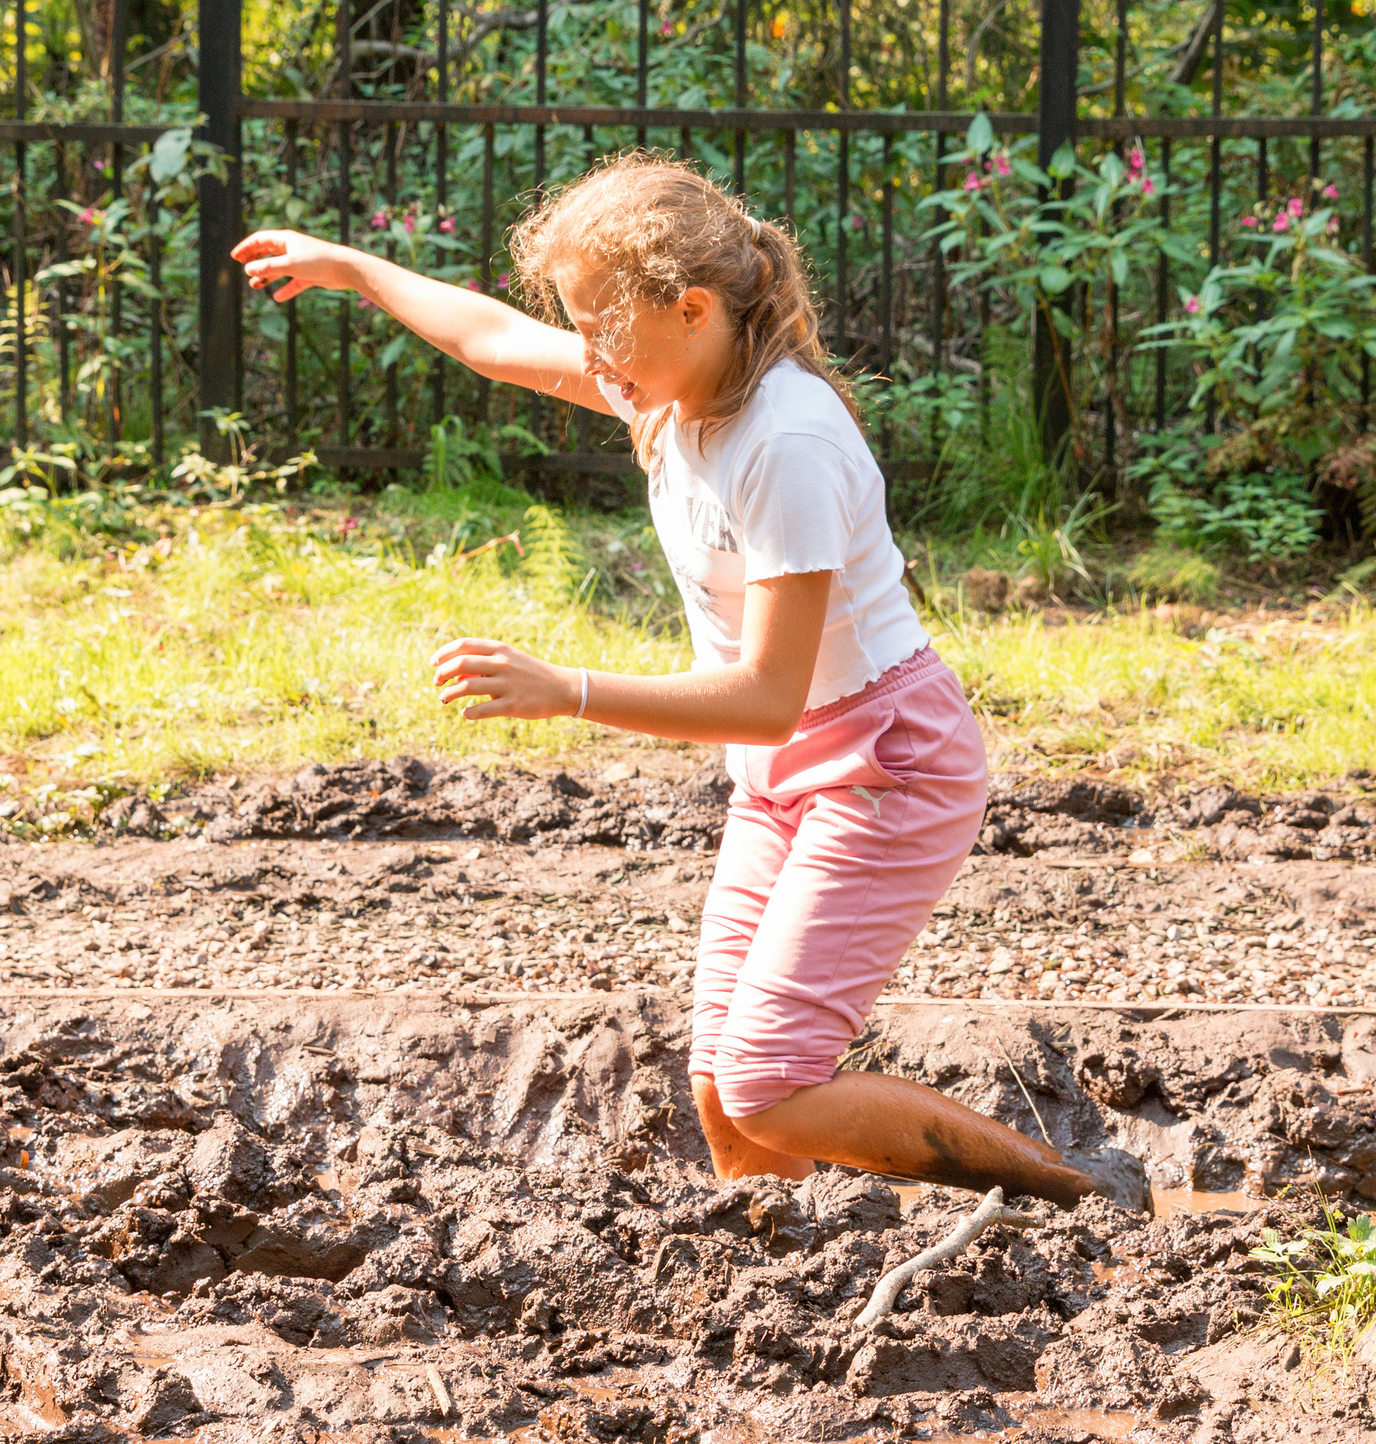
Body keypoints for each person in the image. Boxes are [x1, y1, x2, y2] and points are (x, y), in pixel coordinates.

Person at [232, 153, 1144, 1213]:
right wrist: (351, 267)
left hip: (886, 768)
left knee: (767, 1083)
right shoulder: (667, 389)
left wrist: (567, 689)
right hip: (779, 773)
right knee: (720, 1083)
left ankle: (1080, 1193)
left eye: (600, 327)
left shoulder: (786, 439)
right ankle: (782, 1263)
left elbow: (766, 695)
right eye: (578, 326)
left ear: (694, 308)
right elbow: (489, 340)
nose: (587, 354)